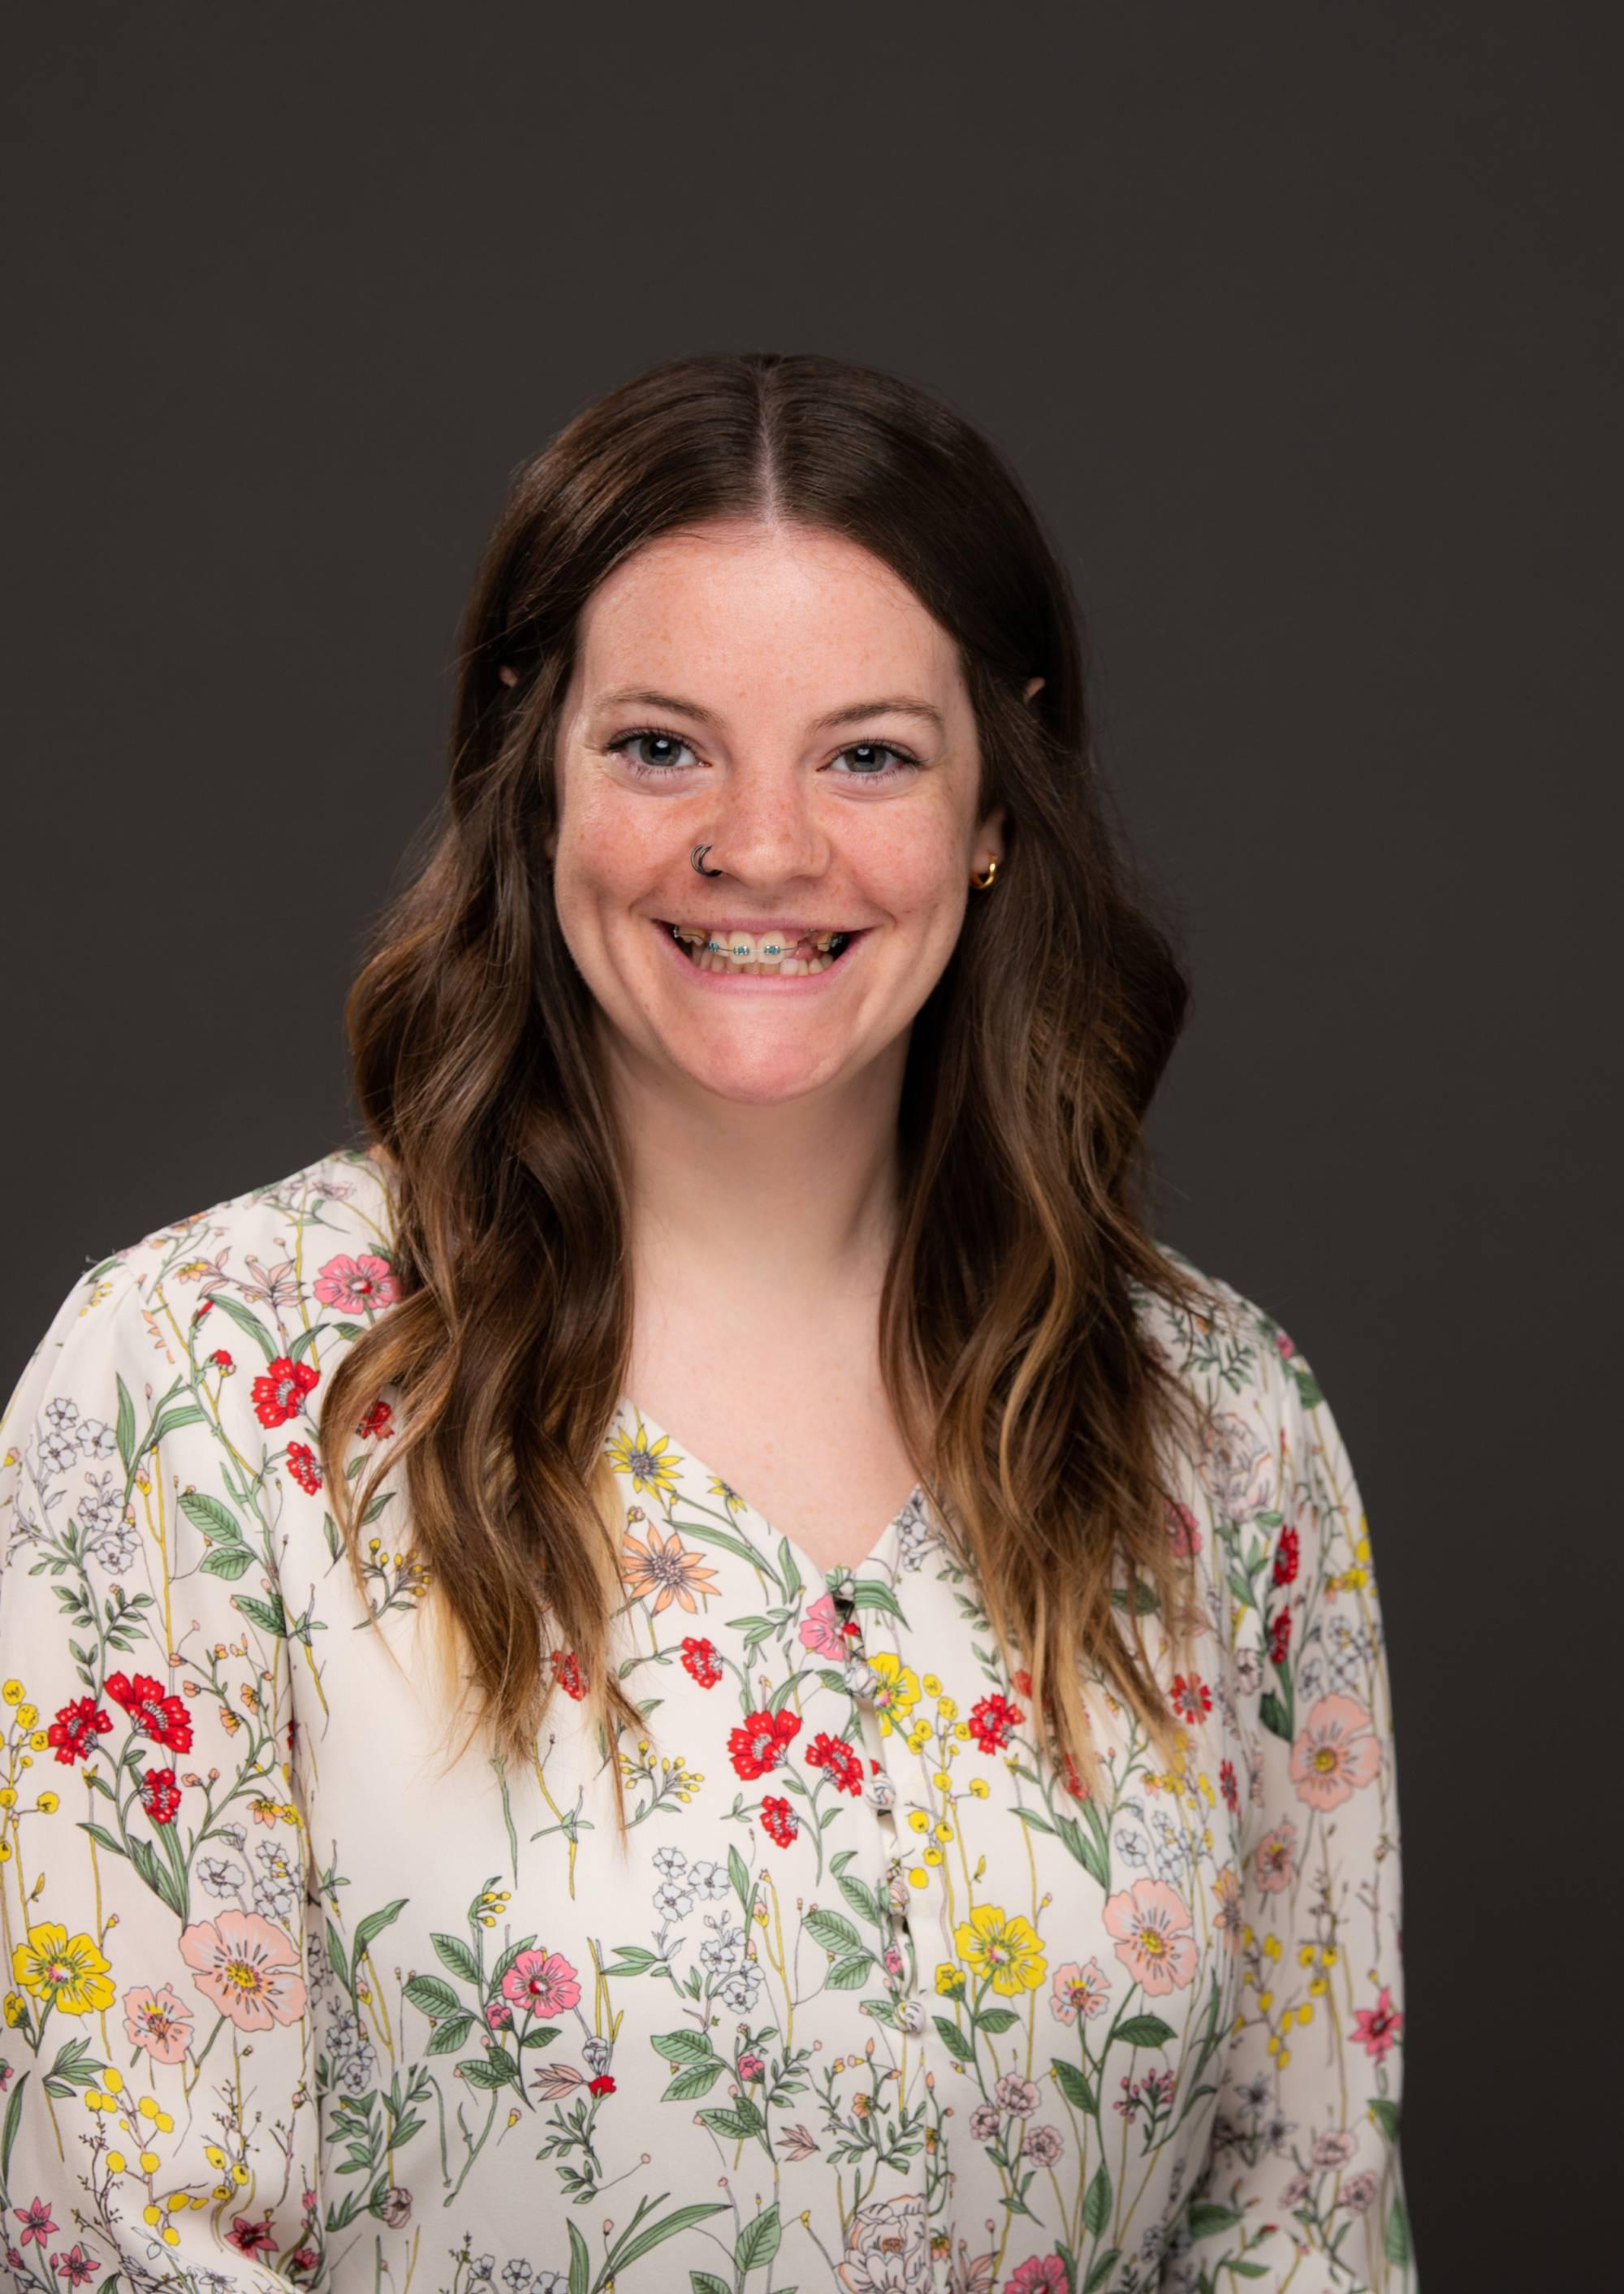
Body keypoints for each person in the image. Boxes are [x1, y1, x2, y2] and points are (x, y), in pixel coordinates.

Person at [0, 352, 1414, 2294]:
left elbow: (1302, 2221)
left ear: (996, 806)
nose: (762, 847)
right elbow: (114, 2244)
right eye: (663, 745)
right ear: (536, 779)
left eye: (868, 755)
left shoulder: (1220, 1429)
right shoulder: (198, 1395)